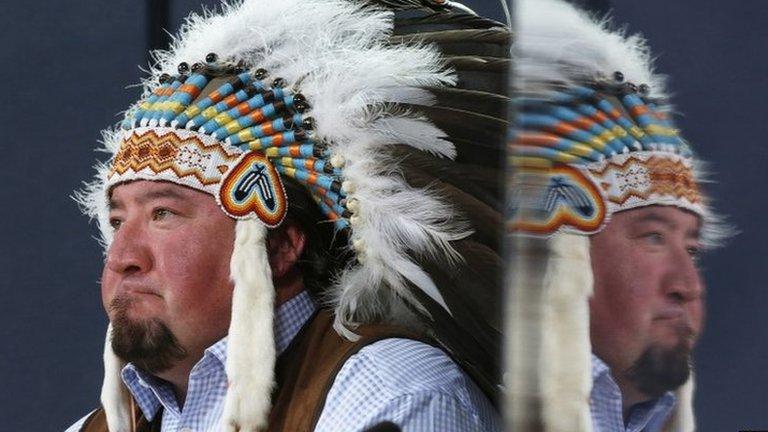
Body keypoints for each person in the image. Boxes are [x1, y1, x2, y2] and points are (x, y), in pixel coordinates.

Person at [64, 0, 510, 431]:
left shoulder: (394, 392)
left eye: (164, 213)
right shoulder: (94, 427)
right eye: (119, 220)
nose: (122, 257)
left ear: (278, 248)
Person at [506, 0, 729, 430]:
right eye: (653, 237)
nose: (688, 285)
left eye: (693, 248)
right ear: (563, 256)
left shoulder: (646, 416)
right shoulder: (439, 397)